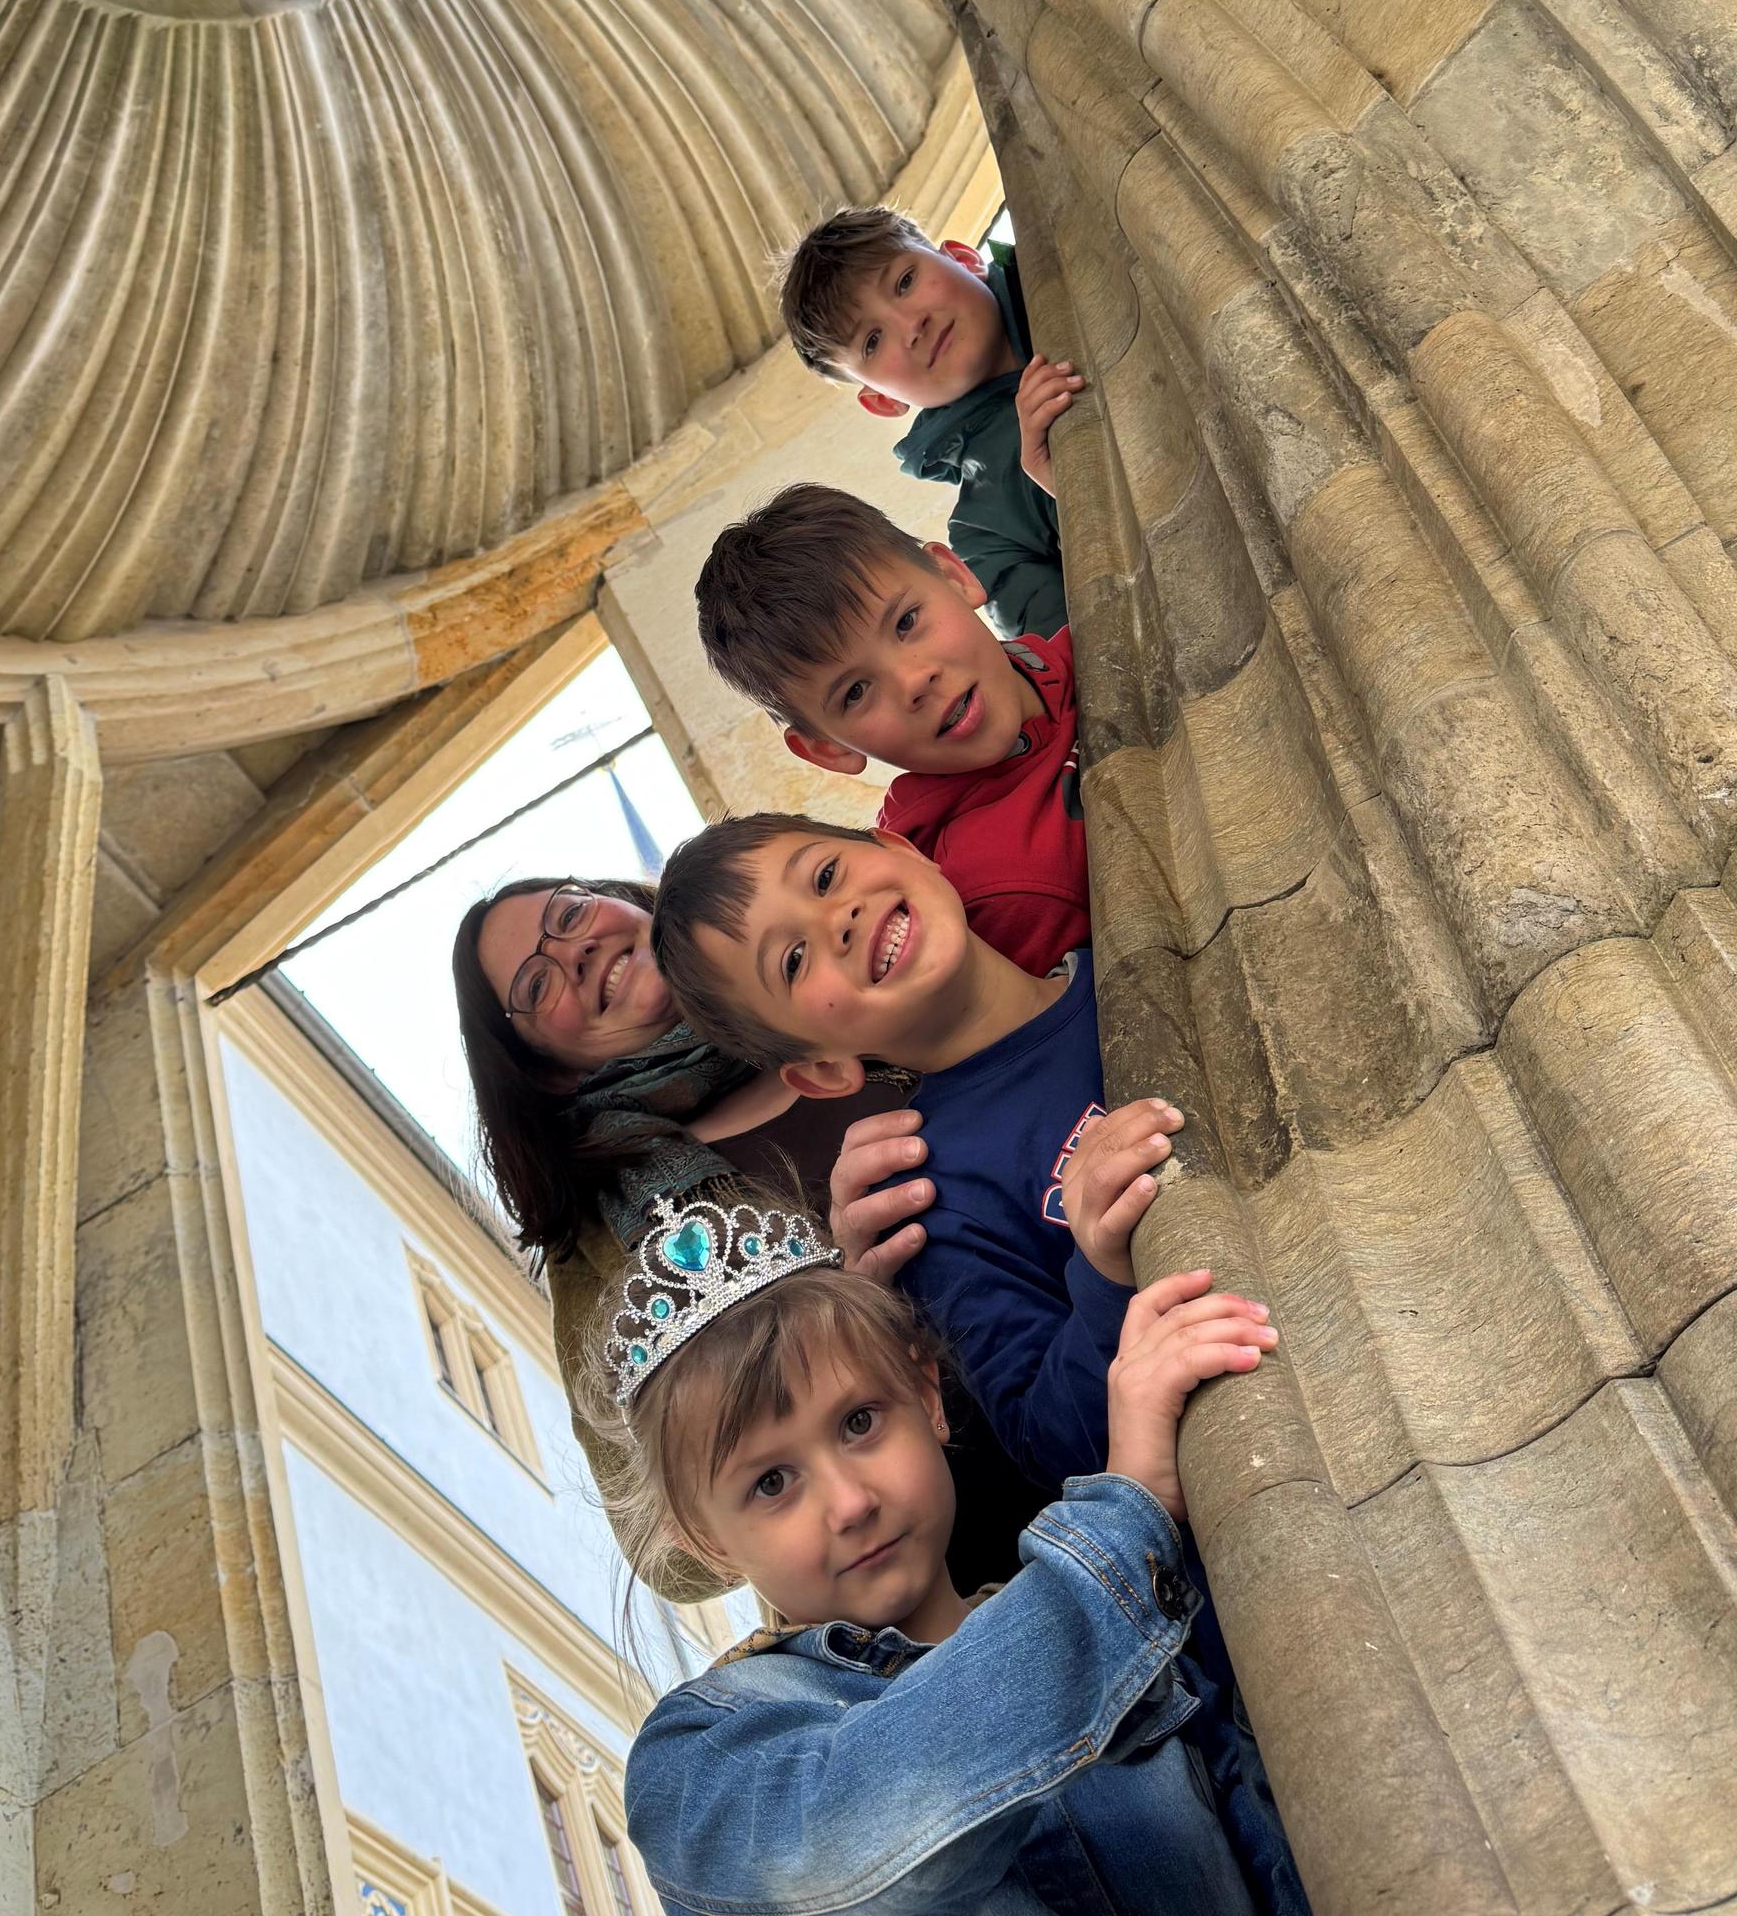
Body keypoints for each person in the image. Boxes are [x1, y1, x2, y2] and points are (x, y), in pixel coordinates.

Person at [604, 1191, 1308, 1916]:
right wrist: (1128, 1520)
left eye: (858, 1423)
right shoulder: (695, 1763)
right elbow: (839, 1852)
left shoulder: (1148, 1641)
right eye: (771, 1483)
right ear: (706, 1539)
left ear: (928, 1396)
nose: (850, 1504)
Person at [451, 876, 1040, 1588]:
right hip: (966, 1572)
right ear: (541, 1071)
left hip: (1111, 1331)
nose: (574, 952)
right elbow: (672, 1563)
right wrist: (849, 1320)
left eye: (571, 913)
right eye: (538, 985)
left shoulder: (827, 977)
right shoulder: (599, 1241)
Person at [651, 815, 1173, 1492]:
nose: (837, 921)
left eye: (825, 876)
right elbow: (1052, 1445)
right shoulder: (929, 1205)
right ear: (824, 1071)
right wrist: (1104, 1274)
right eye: (793, 961)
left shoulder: (1142, 941)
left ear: (906, 851)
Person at [695, 483, 1088, 972]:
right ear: (826, 749)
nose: (913, 681)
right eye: (856, 692)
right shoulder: (995, 891)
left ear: (954, 576)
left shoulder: (1097, 634)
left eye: (905, 623)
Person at [776, 205, 1086, 639]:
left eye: (905, 281)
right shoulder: (985, 538)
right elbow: (1093, 656)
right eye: (873, 341)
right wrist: (1070, 491)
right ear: (883, 402)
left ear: (964, 258)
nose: (911, 326)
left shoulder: (1072, 252)